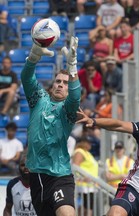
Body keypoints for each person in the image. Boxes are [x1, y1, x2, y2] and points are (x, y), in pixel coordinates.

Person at [20, 36, 81, 216]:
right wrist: (33, 58)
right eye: (58, 81)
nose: (61, 85)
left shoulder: (68, 109)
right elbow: (26, 78)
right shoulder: (39, 99)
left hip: (60, 175)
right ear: (53, 84)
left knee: (66, 214)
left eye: (65, 83)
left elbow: (76, 96)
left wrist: (72, 68)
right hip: (37, 175)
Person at [3, 150, 37, 216]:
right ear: (18, 167)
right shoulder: (12, 184)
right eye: (22, 165)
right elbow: (7, 209)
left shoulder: (40, 184)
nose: (26, 167)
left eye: (28, 164)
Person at [72, 137, 99, 216]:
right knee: (86, 209)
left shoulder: (87, 152)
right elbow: (75, 168)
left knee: (88, 208)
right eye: (88, 143)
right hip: (83, 186)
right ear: (83, 143)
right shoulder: (79, 152)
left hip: (90, 186)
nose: (90, 145)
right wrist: (83, 178)